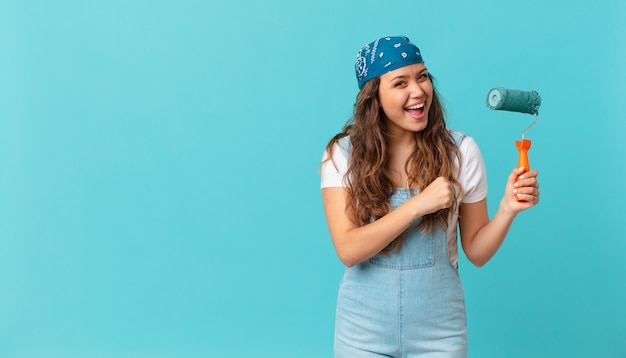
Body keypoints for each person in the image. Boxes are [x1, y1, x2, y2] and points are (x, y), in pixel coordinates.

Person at [320, 36, 540, 357]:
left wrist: (508, 209)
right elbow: (349, 249)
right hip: (361, 332)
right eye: (400, 83)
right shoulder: (342, 154)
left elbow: (476, 252)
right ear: (374, 97)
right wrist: (417, 205)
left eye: (422, 77)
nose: (418, 91)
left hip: (440, 333)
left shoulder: (460, 153)